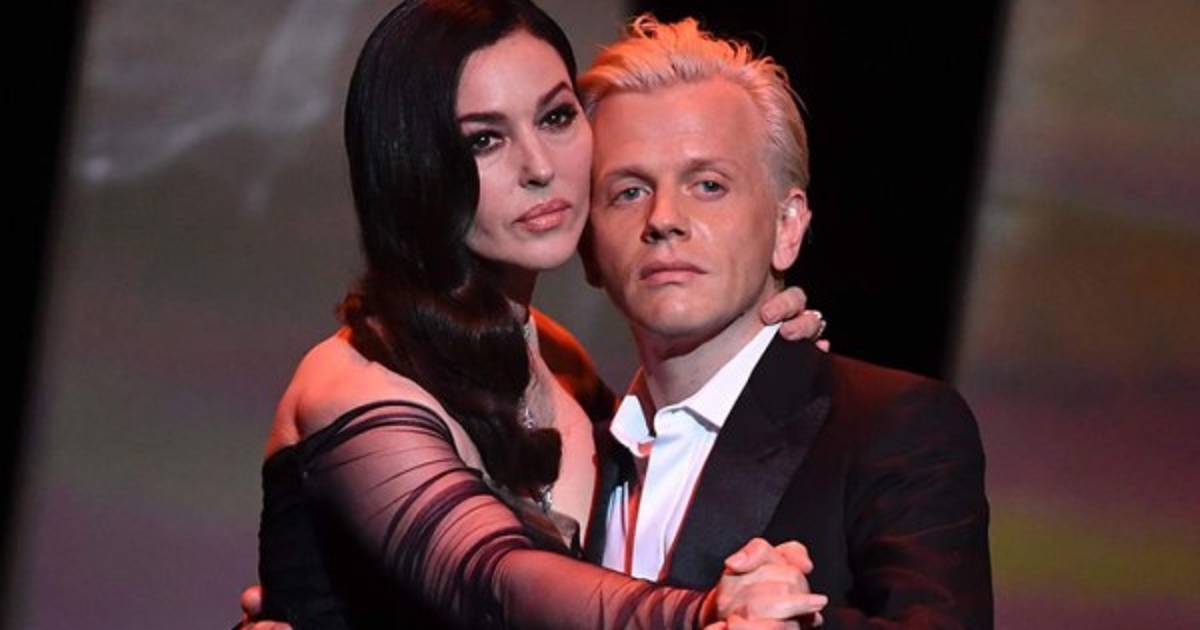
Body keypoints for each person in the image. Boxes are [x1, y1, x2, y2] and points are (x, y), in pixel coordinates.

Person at [252, 2, 830, 629]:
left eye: (556, 117)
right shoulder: (352, 382)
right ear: (414, 167)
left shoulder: (559, 364)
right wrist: (707, 612)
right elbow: (491, 580)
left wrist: (756, 358)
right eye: (485, 140)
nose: (540, 167)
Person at [573, 16, 994, 628]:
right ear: (588, 247)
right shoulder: (572, 455)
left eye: (708, 185)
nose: (664, 218)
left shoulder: (891, 427)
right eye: (629, 192)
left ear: (787, 226)